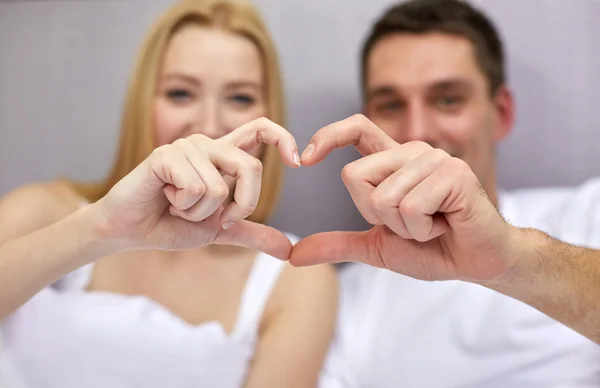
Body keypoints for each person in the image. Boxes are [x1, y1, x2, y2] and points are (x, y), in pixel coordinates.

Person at [0, 1, 337, 387]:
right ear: (144, 104)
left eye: (240, 98)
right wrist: (103, 230)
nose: (209, 125)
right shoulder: (43, 211)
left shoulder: (295, 279)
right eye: (180, 93)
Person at [292, 1, 600, 387]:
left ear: (501, 113)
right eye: (391, 105)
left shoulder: (588, 215)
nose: (418, 131)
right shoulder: (346, 300)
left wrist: (509, 259)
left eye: (448, 99)